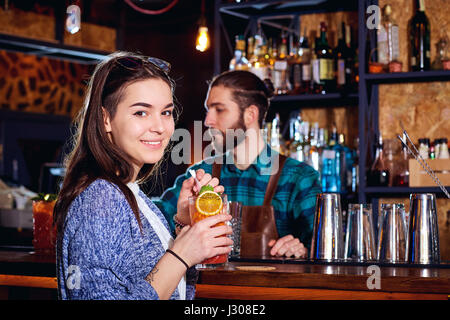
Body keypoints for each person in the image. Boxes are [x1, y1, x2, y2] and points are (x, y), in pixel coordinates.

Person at [54, 51, 232, 300]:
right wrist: (180, 255)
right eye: (141, 112)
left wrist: (183, 226)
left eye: (166, 112)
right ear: (106, 119)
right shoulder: (101, 197)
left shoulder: (130, 193)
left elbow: (174, 292)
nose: (159, 127)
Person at [155, 70, 321, 259]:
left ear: (250, 114)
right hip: (210, 289)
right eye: (208, 109)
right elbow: (152, 219)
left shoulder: (299, 178)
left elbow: (322, 249)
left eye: (219, 109)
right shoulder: (201, 174)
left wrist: (303, 251)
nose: (208, 120)